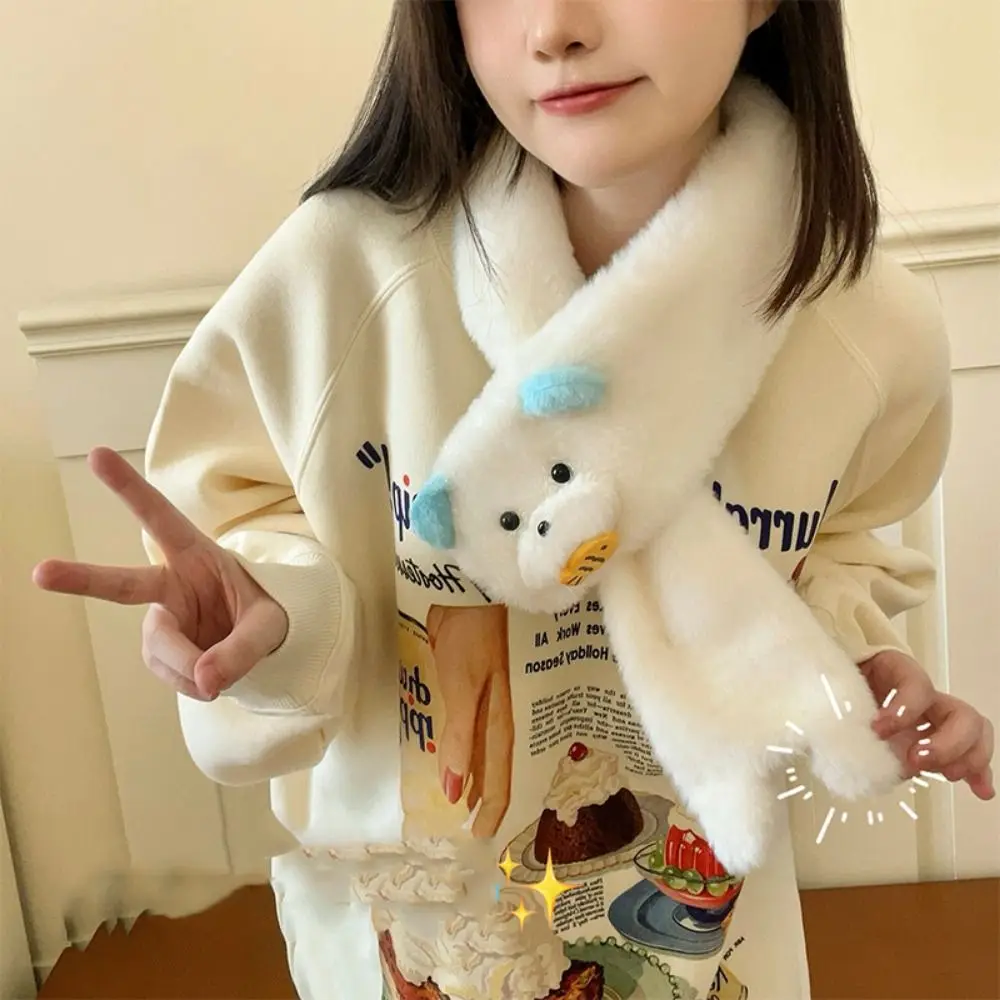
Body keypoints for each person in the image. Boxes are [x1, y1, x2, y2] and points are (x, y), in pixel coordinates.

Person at [34, 2, 995, 998]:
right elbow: (250, 513)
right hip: (415, 945)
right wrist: (272, 613)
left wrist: (855, 671)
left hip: (706, 934)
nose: (553, 29)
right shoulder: (339, 277)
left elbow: (841, 545)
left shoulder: (867, 325)